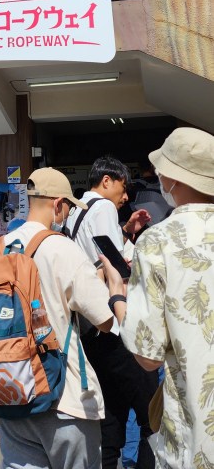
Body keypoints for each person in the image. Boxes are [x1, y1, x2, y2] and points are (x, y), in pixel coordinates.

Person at [0, 167, 114, 469]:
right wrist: (109, 283)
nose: (66, 215)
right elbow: (106, 319)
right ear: (57, 204)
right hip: (64, 399)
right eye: (67, 207)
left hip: (11, 397)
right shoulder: (64, 249)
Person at [101, 126, 214, 469]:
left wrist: (117, 297)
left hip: (196, 432)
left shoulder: (158, 241)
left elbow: (148, 357)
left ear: (173, 180)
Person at [65, 155, 158, 469]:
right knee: (152, 418)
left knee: (111, 421)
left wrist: (126, 232)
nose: (126, 196)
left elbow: (97, 254)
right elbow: (114, 264)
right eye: (123, 186)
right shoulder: (103, 207)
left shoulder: (75, 214)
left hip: (91, 332)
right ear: (106, 181)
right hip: (117, 327)